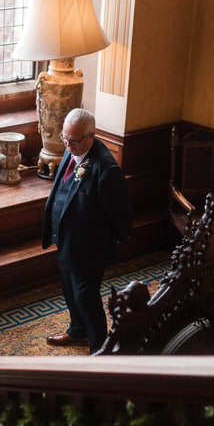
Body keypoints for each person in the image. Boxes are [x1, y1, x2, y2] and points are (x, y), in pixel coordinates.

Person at [42, 108, 134, 354]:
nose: (67, 144)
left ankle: (100, 349)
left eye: (73, 140)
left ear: (90, 136)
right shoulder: (73, 147)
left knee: (86, 297)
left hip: (89, 247)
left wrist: (107, 242)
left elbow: (122, 215)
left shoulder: (107, 170)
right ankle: (78, 331)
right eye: (65, 138)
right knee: (69, 289)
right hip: (67, 240)